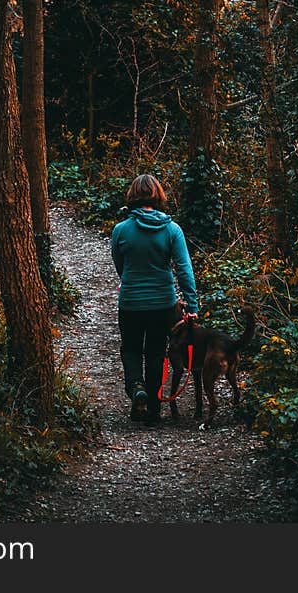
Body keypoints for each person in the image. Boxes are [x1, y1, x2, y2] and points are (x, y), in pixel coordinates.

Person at [110, 174, 199, 426]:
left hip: (131, 302)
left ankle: (137, 389)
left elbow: (120, 264)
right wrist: (191, 306)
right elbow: (184, 269)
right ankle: (153, 410)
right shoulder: (172, 230)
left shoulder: (121, 230)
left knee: (130, 348)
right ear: (158, 196)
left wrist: (130, 282)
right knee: (156, 352)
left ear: (132, 196)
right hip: (163, 303)